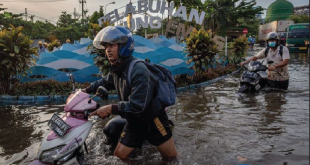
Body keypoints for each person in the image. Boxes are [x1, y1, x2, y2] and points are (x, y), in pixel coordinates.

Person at [83, 26, 178, 161]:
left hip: (153, 120)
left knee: (171, 159)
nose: (108, 50)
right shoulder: (118, 69)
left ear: (123, 47)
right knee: (119, 157)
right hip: (134, 121)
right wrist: (84, 91)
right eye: (106, 47)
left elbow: (138, 106)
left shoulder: (139, 70)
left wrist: (110, 108)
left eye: (112, 45)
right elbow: (105, 82)